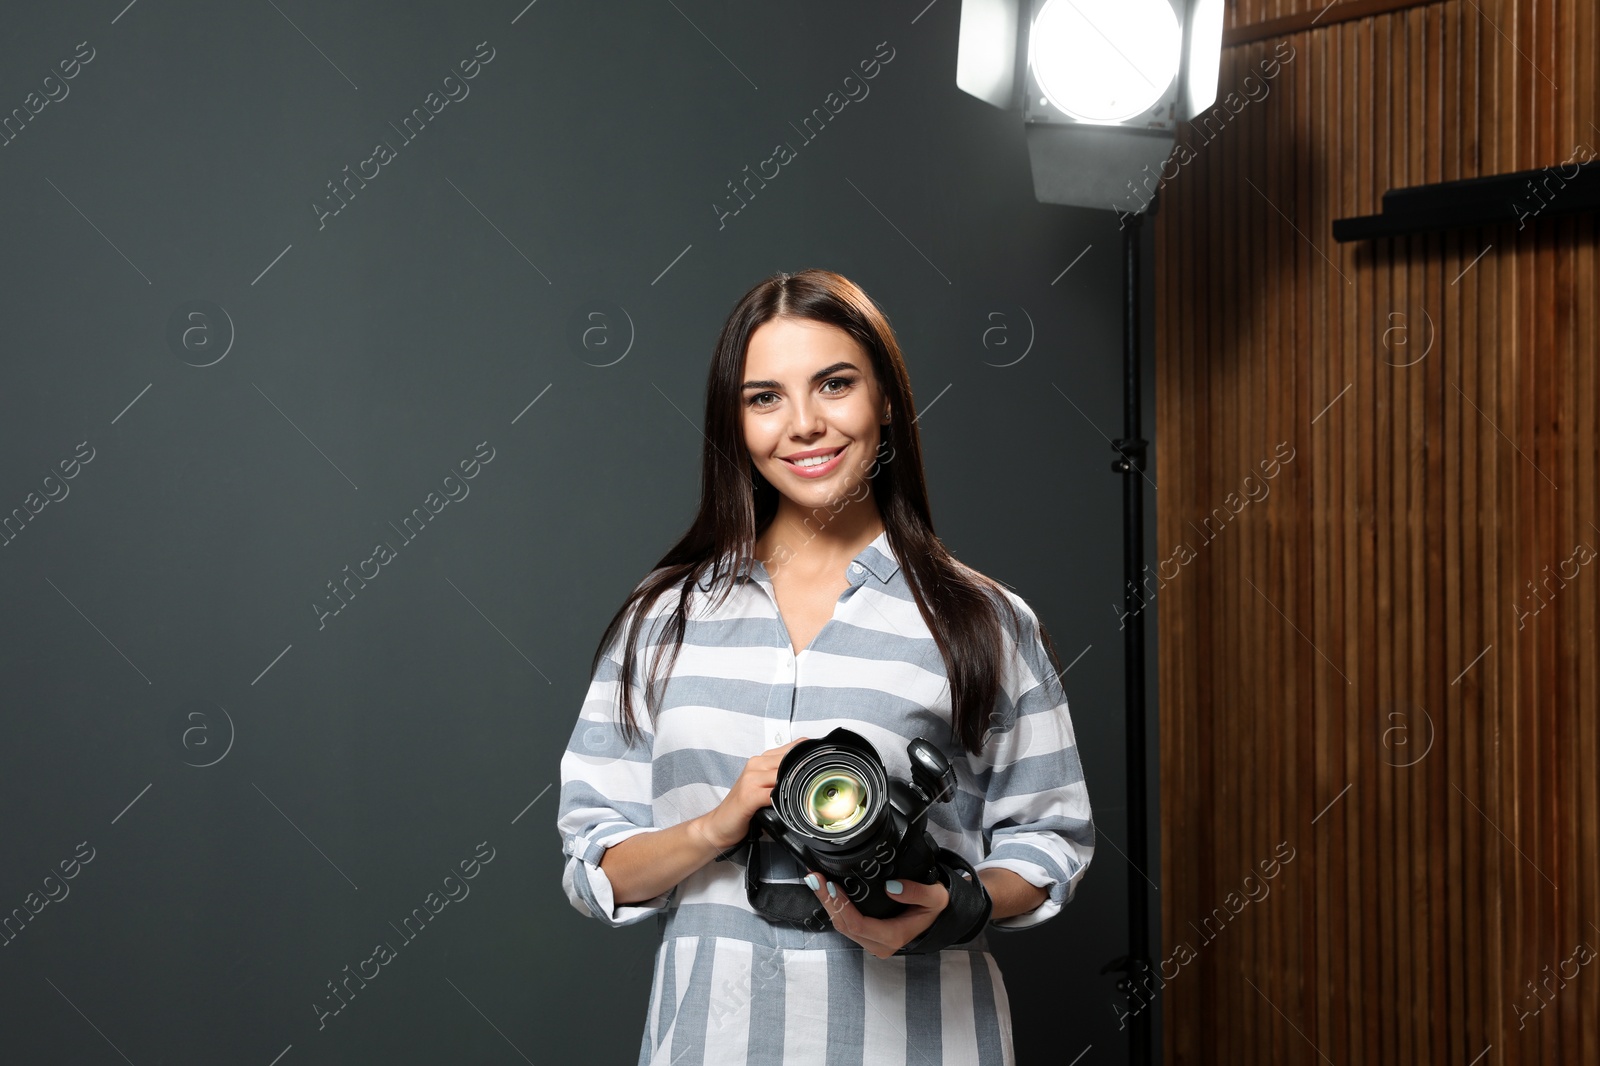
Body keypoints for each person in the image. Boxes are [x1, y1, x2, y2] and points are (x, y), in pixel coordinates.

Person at [556, 268, 1094, 1064]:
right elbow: (595, 862)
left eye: (834, 384)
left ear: (884, 400)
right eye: (764, 397)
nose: (803, 424)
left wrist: (955, 905)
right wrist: (716, 823)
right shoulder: (663, 619)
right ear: (733, 424)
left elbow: (1051, 842)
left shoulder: (981, 619)